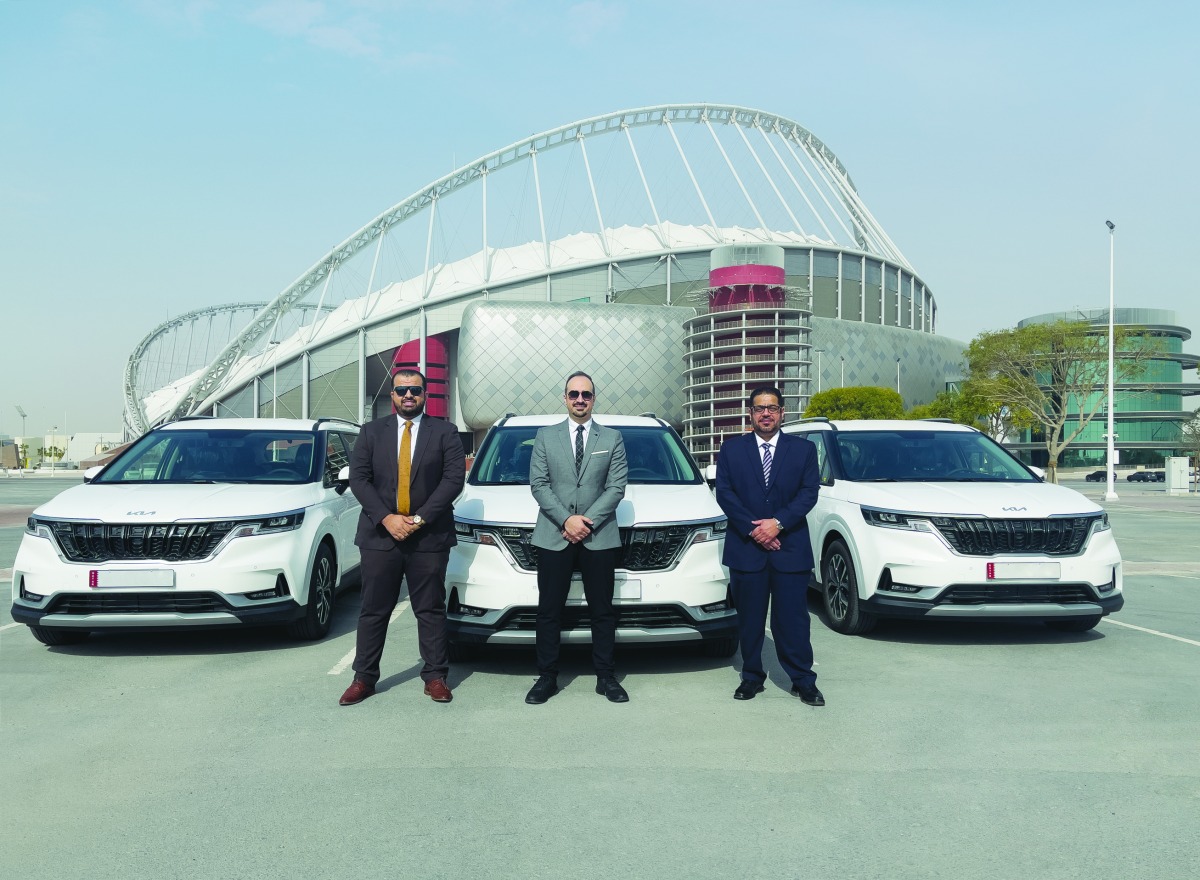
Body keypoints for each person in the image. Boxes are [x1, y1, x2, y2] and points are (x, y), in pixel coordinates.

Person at [338, 369, 466, 706]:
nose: (408, 395)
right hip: (381, 536)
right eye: (401, 390)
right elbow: (359, 480)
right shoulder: (371, 433)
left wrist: (419, 519)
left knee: (430, 609)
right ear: (392, 395)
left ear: (425, 394)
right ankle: (364, 678)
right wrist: (387, 518)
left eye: (414, 390)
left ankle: (436, 676)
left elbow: (453, 481)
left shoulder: (446, 432)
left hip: (429, 537)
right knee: (373, 610)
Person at [714, 385, 824, 705]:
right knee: (749, 619)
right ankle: (752, 676)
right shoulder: (732, 449)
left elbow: (808, 493)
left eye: (772, 408)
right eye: (760, 408)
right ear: (750, 413)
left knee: (792, 620)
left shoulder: (802, 451)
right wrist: (756, 531)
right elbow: (726, 494)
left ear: (782, 413)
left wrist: (776, 524)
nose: (766, 414)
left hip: (789, 548)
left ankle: (803, 680)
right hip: (746, 549)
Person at [524, 371, 629, 704]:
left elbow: (616, 487)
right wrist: (567, 520)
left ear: (594, 398)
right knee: (549, 610)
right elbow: (538, 484)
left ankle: (606, 677)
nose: (580, 400)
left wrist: (586, 521)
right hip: (555, 533)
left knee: (602, 610)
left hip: (599, 535)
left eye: (586, 394)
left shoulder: (612, 438)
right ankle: (547, 677)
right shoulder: (545, 436)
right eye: (574, 394)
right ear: (565, 398)